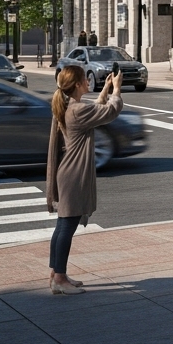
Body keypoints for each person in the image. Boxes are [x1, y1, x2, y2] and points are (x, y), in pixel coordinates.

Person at [46, 65, 123, 295]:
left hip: (68, 173)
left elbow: (96, 111)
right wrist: (117, 90)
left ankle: (56, 274)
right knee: (66, 227)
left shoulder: (71, 106)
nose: (88, 82)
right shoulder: (77, 110)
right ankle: (59, 278)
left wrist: (106, 89)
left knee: (62, 226)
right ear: (78, 84)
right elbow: (110, 112)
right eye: (85, 79)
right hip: (74, 175)